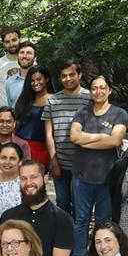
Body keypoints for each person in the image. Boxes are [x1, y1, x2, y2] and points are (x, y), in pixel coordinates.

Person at [68, 74, 128, 256]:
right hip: (81, 176)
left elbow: (115, 140)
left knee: (104, 222)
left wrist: (88, 139)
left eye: (103, 88)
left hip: (107, 179)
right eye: (94, 88)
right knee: (81, 220)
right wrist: (103, 137)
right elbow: (74, 136)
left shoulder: (119, 114)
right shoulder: (83, 112)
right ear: (90, 91)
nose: (98, 91)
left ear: (109, 90)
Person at [0, 160, 73, 256]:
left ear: (44, 178)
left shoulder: (62, 219)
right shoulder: (8, 217)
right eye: (23, 178)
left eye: (33, 177)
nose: (28, 183)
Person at [42, 59, 90, 216]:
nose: (68, 79)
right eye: (64, 76)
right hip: (61, 163)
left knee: (81, 205)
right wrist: (53, 161)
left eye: (71, 75)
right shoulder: (53, 100)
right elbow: (49, 133)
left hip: (84, 164)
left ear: (80, 75)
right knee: (62, 203)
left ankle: (80, 238)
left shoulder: (90, 99)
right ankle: (64, 237)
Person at [13, 66, 52, 168]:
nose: (35, 83)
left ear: (47, 79)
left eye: (39, 79)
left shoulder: (55, 100)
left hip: (42, 147)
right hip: (20, 145)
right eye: (32, 80)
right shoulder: (25, 99)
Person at [0, 29, 23, 110]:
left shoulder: (29, 62)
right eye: (7, 42)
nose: (11, 44)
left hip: (23, 112)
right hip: (2, 112)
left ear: (20, 39)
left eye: (14, 40)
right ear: (3, 44)